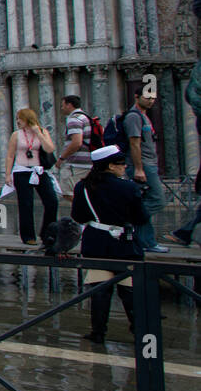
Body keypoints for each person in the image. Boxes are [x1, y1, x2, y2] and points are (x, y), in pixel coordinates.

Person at [72, 145, 149, 344]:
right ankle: (140, 332)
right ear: (110, 166)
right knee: (129, 290)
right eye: (121, 163)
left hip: (96, 241)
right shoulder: (129, 187)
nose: (124, 167)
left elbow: (78, 216)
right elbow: (141, 218)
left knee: (99, 291)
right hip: (124, 244)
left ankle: (98, 333)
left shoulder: (82, 187)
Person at [5, 107, 59, 246]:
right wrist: (7, 174)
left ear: (28, 119)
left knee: (52, 200)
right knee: (26, 204)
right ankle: (28, 236)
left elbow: (50, 149)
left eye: (20, 118)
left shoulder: (42, 132)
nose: (17, 121)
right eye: (17, 118)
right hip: (21, 171)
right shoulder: (16, 135)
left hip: (39, 170)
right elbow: (10, 155)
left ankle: (47, 233)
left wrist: (38, 133)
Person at [122, 89, 168, 253]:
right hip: (142, 165)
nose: (151, 101)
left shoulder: (144, 116)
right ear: (136, 97)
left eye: (153, 98)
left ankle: (146, 241)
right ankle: (128, 222)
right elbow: (134, 143)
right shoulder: (134, 116)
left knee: (145, 201)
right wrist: (139, 168)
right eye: (147, 97)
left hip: (149, 164)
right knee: (157, 199)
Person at [54, 94, 93, 196]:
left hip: (76, 164)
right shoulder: (85, 117)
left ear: (69, 105)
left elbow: (77, 142)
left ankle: (83, 210)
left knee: (68, 192)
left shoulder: (74, 119)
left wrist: (62, 158)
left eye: (63, 105)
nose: (62, 108)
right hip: (87, 162)